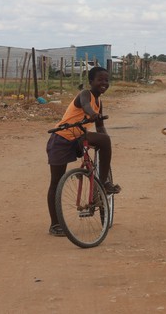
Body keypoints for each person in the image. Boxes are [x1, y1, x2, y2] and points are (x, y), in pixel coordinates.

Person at [45, 66, 121, 237]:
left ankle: (102, 184)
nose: (104, 83)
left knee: (104, 140)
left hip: (79, 137)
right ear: (91, 82)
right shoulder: (85, 94)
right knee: (56, 183)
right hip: (61, 138)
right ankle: (55, 225)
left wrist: (105, 146)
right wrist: (92, 114)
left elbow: (101, 128)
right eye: (100, 80)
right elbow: (86, 106)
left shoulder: (99, 101)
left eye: (107, 80)